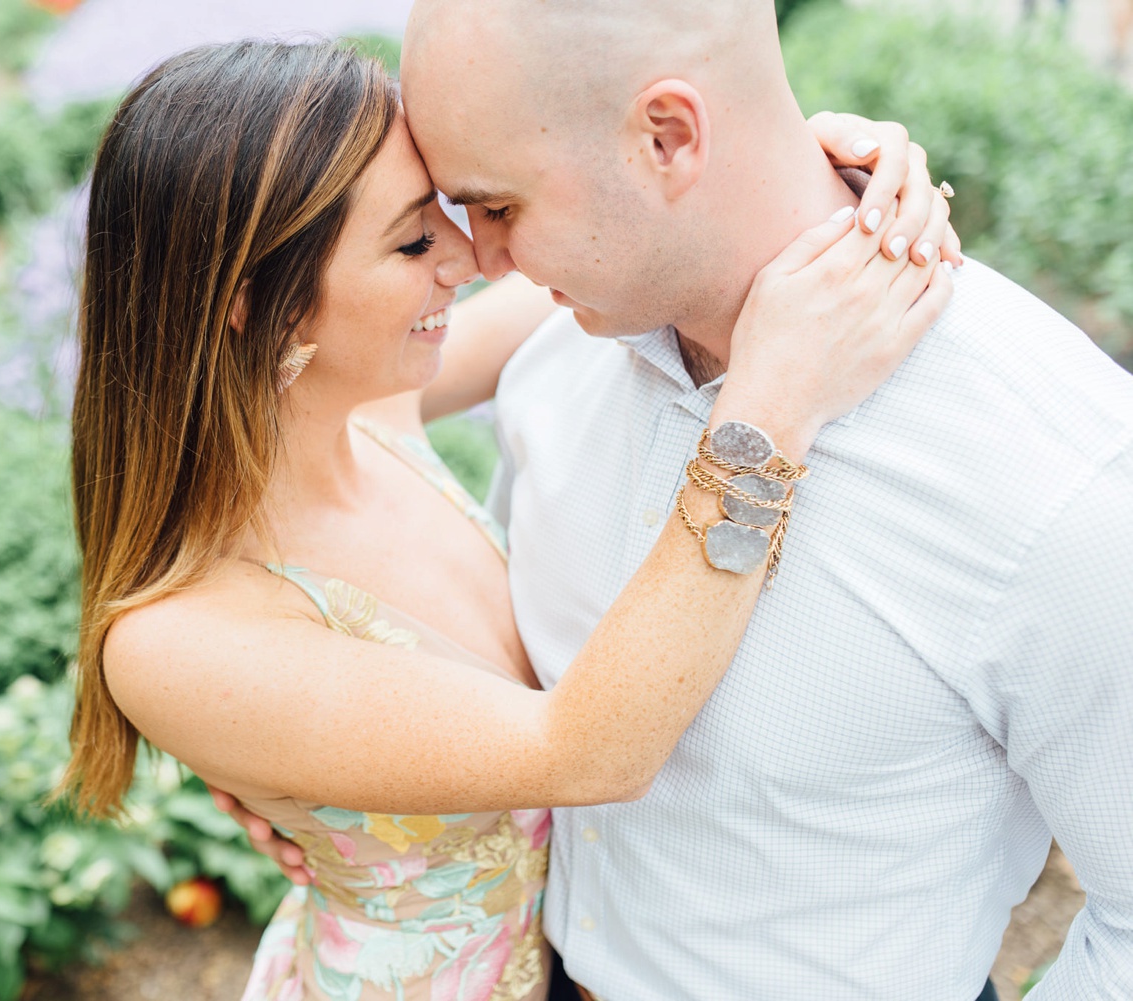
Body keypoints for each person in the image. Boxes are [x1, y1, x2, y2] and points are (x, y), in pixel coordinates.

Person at [56, 39, 955, 1001]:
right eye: (412, 241)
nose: (468, 258)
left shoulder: (370, 416)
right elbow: (589, 750)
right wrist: (772, 406)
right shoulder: (183, 641)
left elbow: (611, 248)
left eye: (450, 212)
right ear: (253, 305)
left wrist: (799, 163)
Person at [369, 1, 1131, 999]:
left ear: (668, 136)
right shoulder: (555, 358)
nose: (481, 259)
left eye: (500, 206)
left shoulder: (1059, 474)